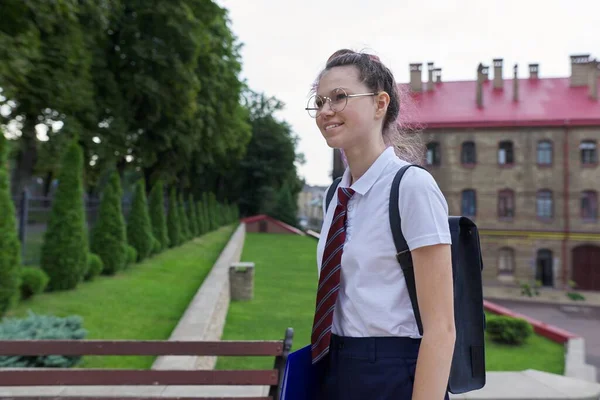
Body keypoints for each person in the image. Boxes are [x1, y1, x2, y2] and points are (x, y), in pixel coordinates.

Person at [306, 49, 455, 400]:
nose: (326, 110)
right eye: (320, 100)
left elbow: (442, 328)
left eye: (340, 97)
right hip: (335, 366)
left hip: (393, 375)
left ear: (380, 103)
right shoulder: (335, 196)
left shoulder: (411, 187)